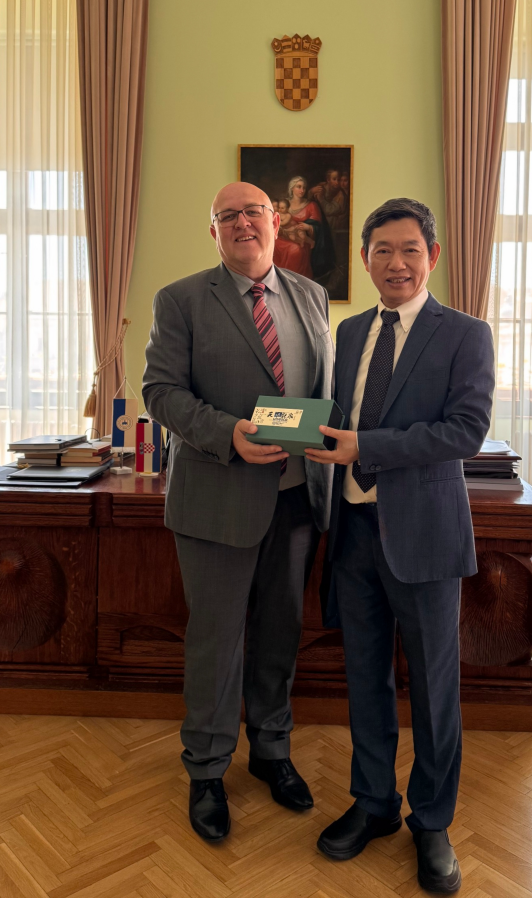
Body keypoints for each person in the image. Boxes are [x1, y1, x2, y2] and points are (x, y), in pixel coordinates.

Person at [305, 198, 494, 894]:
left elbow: (465, 430)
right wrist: (291, 428)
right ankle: (375, 802)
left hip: (426, 537)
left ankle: (433, 821)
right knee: (365, 676)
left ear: (432, 256)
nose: (396, 263)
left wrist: (367, 447)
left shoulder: (465, 333)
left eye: (410, 249)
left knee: (435, 688)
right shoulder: (350, 330)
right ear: (365, 260)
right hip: (353, 531)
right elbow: (341, 419)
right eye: (382, 250)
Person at [143, 181, 334, 843]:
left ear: (276, 220)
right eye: (229, 216)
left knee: (281, 634)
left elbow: (322, 387)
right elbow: (160, 392)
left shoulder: (311, 296)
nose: (243, 223)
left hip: (297, 498)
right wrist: (228, 433)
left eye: (254, 211)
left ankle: (272, 752)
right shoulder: (181, 299)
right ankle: (206, 768)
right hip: (217, 497)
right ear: (214, 232)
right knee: (217, 641)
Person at [273, 175, 334, 280]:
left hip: (301, 238)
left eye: (304, 188)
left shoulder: (312, 205)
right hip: (283, 235)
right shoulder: (284, 203)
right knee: (272, 245)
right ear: (292, 188)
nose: (302, 190)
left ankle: (293, 281)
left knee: (295, 250)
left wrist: (308, 227)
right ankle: (275, 279)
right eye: (299, 187)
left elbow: (320, 228)